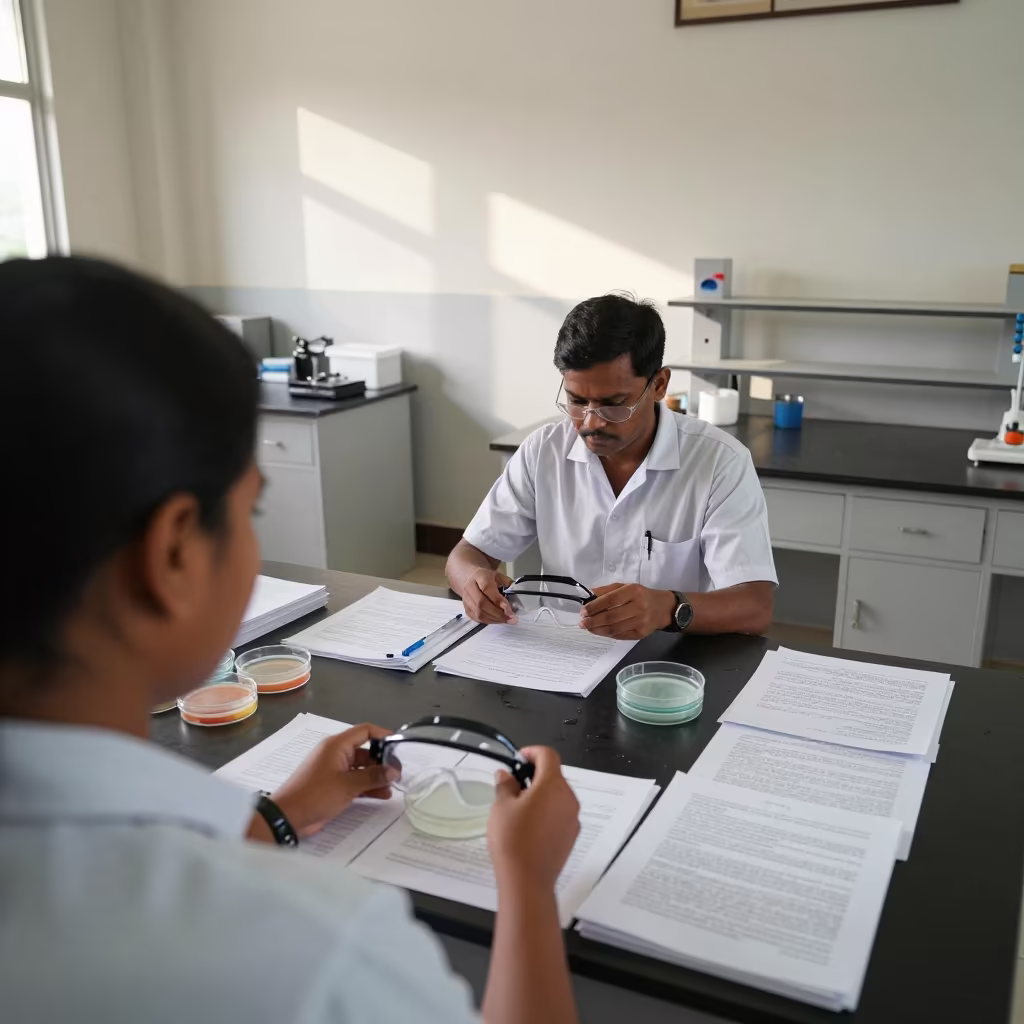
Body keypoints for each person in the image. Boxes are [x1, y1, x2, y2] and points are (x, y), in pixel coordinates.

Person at [0, 256, 581, 1024]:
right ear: (173, 553)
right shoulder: (311, 950)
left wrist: (282, 814)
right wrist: (530, 885)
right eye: (250, 512)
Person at [447, 293, 777, 640]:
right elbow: (467, 554)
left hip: (663, 662)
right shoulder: (544, 451)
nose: (591, 422)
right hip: (559, 650)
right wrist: (472, 581)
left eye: (614, 404)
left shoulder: (719, 462)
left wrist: (666, 608)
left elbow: (755, 606)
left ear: (659, 385)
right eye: (576, 401)